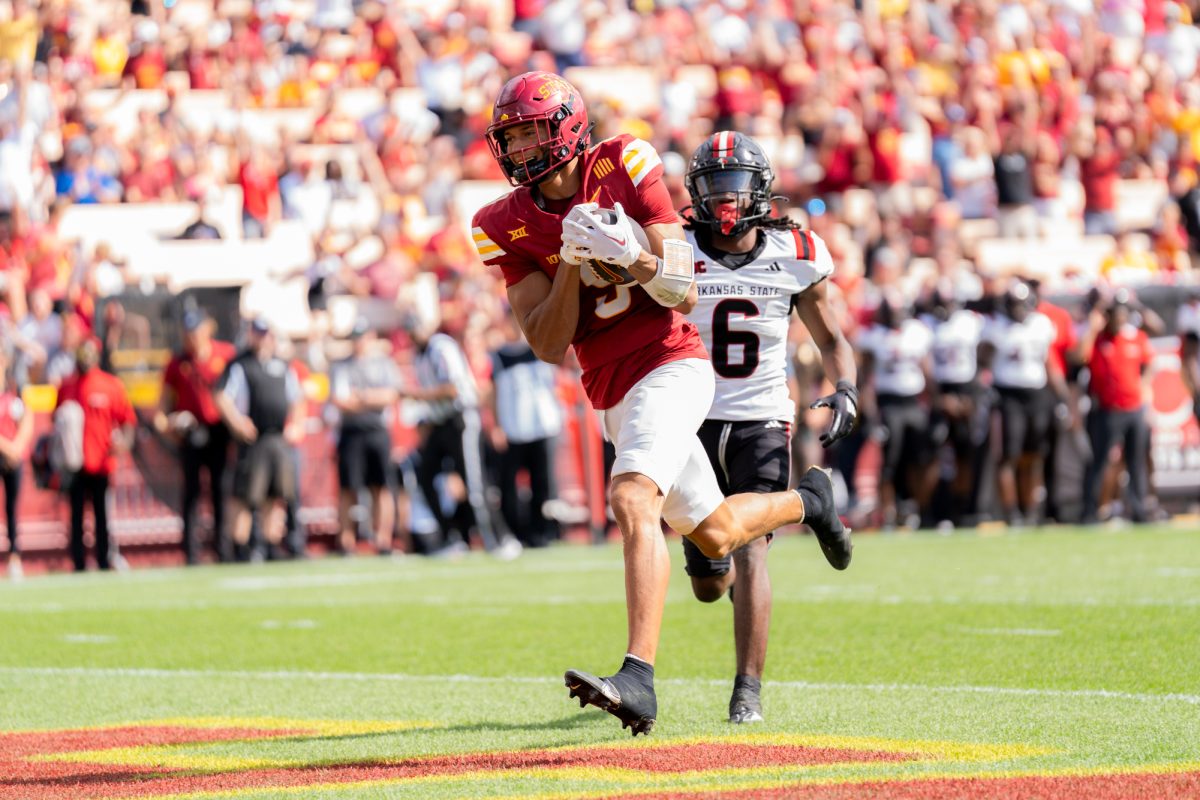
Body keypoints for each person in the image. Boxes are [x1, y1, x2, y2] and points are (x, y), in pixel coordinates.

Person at [472, 71, 847, 736]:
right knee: (717, 537)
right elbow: (547, 343)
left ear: (566, 126)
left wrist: (631, 255)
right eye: (512, 137)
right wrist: (569, 262)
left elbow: (678, 291)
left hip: (673, 365)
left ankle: (638, 678)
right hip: (611, 389)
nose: (520, 149)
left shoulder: (626, 161)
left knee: (631, 499)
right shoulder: (500, 224)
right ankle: (808, 502)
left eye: (531, 133)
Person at [681, 132, 858, 724]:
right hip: (692, 418)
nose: (724, 201)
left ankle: (746, 694)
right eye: (712, 187)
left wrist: (846, 389)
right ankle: (814, 503)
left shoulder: (797, 251)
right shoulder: (675, 249)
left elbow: (832, 340)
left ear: (760, 191)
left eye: (734, 187)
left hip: (761, 416)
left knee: (752, 547)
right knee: (709, 577)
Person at [402, 313, 517, 558]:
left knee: (473, 482)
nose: (413, 335)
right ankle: (449, 538)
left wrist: (416, 395)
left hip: (460, 419)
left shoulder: (441, 347)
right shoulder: (419, 354)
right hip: (438, 422)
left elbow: (452, 389)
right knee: (424, 477)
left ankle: (498, 539)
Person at [215, 319, 303, 561]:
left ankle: (270, 544)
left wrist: (295, 425)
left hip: (277, 437)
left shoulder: (282, 365)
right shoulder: (240, 364)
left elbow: (297, 398)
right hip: (253, 439)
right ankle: (239, 547)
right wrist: (238, 422)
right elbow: (222, 397)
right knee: (245, 496)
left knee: (275, 496)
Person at [979, 280, 1062, 526]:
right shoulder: (995, 327)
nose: (1018, 310)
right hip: (1009, 395)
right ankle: (1011, 512)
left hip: (1037, 394)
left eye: (1021, 304)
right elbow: (982, 362)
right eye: (1014, 304)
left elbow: (1049, 363)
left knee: (1034, 455)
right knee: (1009, 455)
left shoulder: (1041, 324)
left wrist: (1061, 396)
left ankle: (1029, 510)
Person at [156, 310, 235, 564]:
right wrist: (170, 425)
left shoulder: (225, 355)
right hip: (191, 432)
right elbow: (163, 406)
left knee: (221, 491)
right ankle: (191, 552)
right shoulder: (178, 362)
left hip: (219, 431)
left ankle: (223, 549)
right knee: (191, 493)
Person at [55, 337, 135, 572]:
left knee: (103, 517)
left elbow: (127, 419)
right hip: (74, 463)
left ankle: (103, 561)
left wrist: (124, 443)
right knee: (76, 517)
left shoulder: (111, 385)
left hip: (101, 462)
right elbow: (56, 421)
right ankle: (78, 564)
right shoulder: (67, 386)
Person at [857, 294, 936, 528]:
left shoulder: (917, 332)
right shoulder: (874, 337)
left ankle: (918, 509)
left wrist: (935, 405)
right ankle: (889, 513)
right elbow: (866, 380)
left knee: (919, 459)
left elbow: (927, 371)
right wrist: (870, 414)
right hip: (889, 404)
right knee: (889, 462)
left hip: (913, 403)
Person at [489, 317, 563, 548]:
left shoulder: (540, 348)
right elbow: (493, 394)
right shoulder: (498, 356)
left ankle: (543, 532)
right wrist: (497, 425)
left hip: (543, 425)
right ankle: (517, 532)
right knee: (509, 485)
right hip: (514, 428)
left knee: (543, 483)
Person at [1080, 293, 1153, 523]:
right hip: (1107, 410)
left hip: (1134, 409)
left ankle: (1139, 509)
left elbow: (1150, 362)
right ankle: (1090, 511)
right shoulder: (1098, 339)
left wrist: (1143, 388)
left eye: (1124, 313)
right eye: (1116, 313)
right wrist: (1092, 326)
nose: (1120, 318)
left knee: (1136, 462)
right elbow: (1080, 356)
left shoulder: (1135, 337)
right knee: (1100, 461)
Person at [330, 317, 400, 555]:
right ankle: (347, 541)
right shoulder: (342, 366)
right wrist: (371, 399)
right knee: (348, 488)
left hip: (376, 431)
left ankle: (383, 539)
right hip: (351, 432)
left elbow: (391, 395)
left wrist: (361, 398)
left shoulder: (384, 364)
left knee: (380, 487)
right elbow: (340, 400)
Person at [923, 287, 987, 526]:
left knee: (966, 455)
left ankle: (962, 510)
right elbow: (924, 365)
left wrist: (975, 392)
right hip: (939, 389)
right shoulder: (926, 325)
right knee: (933, 454)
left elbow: (985, 353)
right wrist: (939, 398)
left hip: (966, 389)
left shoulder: (971, 322)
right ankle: (928, 511)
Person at [0, 348, 32, 580]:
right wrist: (6, 446)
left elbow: (26, 417)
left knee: (12, 508)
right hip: (5, 450)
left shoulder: (13, 387)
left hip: (13, 458)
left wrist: (17, 447)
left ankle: (14, 555)